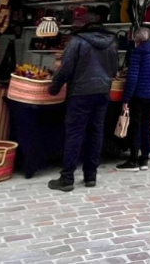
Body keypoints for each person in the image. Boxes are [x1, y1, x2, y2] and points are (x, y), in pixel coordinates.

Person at [47, 16, 119, 192]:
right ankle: (90, 176)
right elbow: (114, 70)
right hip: (102, 92)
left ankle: (67, 178)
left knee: (74, 134)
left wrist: (54, 88)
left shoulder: (77, 41)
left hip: (80, 92)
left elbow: (65, 68)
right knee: (96, 132)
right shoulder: (112, 44)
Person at [117, 27, 150, 172]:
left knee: (135, 126)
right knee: (146, 125)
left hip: (138, 95)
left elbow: (133, 77)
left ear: (137, 39)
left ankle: (133, 159)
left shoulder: (137, 52)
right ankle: (144, 158)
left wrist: (126, 99)